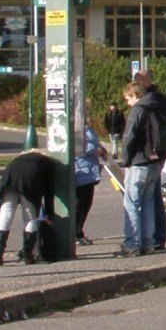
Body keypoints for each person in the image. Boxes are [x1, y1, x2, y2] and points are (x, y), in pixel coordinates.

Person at [0, 148, 69, 264]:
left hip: (9, 181)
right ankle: (28, 255)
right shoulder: (46, 163)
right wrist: (49, 212)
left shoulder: (19, 159)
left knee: (5, 214)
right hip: (30, 184)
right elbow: (49, 191)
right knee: (30, 218)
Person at [116, 81, 164, 257]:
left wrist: (126, 160)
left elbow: (129, 136)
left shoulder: (138, 110)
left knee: (131, 205)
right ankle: (149, 243)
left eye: (128, 98)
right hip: (154, 163)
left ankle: (133, 245)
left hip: (138, 163)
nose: (127, 103)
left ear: (135, 95)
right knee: (148, 203)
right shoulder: (156, 108)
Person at [137, 77, 166, 251]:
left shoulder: (149, 105)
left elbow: (149, 132)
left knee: (147, 199)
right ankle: (157, 238)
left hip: (152, 155)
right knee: (155, 196)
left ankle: (150, 238)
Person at [73, 102, 105, 244]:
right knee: (79, 204)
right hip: (80, 170)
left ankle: (79, 231)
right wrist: (98, 151)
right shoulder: (75, 128)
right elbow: (81, 147)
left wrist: (102, 150)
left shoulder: (87, 128)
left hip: (90, 171)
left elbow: (95, 142)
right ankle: (74, 233)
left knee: (86, 204)